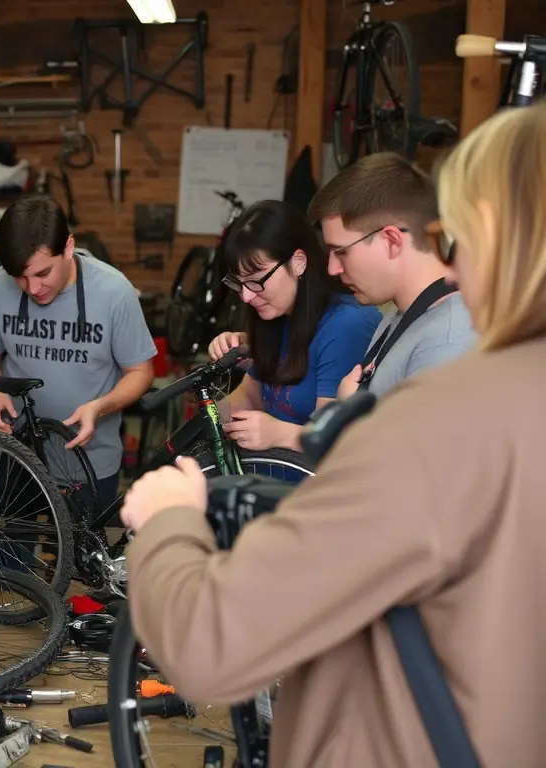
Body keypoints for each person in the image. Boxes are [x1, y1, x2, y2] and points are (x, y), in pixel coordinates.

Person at [119, 102, 546, 767]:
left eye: (455, 232)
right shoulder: (440, 345)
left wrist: (170, 524)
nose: (450, 254)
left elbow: (213, 645)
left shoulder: (453, 378)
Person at [0, 195, 156, 510]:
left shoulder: (114, 292)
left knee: (76, 560)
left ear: (68, 247)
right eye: (20, 277)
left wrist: (100, 407)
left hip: (86, 464)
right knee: (2, 555)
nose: (32, 288)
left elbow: (140, 372)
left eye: (43, 273)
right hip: (11, 455)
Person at [206, 200, 381, 452]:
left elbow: (335, 440)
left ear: (298, 262)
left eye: (256, 281)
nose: (246, 296)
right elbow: (248, 397)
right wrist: (213, 409)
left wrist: (279, 434)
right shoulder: (276, 317)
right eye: (239, 283)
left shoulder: (345, 326)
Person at [307, 152, 477, 399]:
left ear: (391, 241)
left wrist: (348, 414)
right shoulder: (401, 312)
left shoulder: (448, 341)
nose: (333, 269)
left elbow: (426, 439)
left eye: (342, 252)